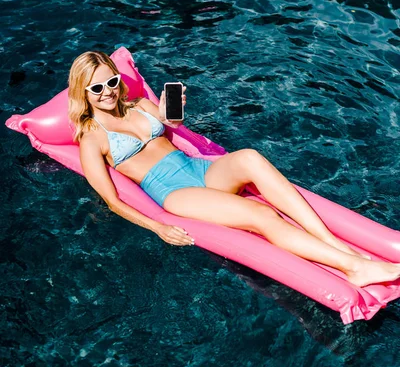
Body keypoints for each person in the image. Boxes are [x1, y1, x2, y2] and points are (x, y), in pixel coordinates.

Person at [68, 51, 400, 288]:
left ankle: (333, 242)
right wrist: (158, 228)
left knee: (250, 157)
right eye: (97, 88)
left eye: (111, 81)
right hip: (174, 192)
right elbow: (112, 201)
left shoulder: (138, 104)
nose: (108, 91)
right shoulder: (92, 138)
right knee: (263, 217)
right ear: (83, 93)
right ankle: (353, 267)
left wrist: (175, 110)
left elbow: (171, 124)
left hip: (195, 167)